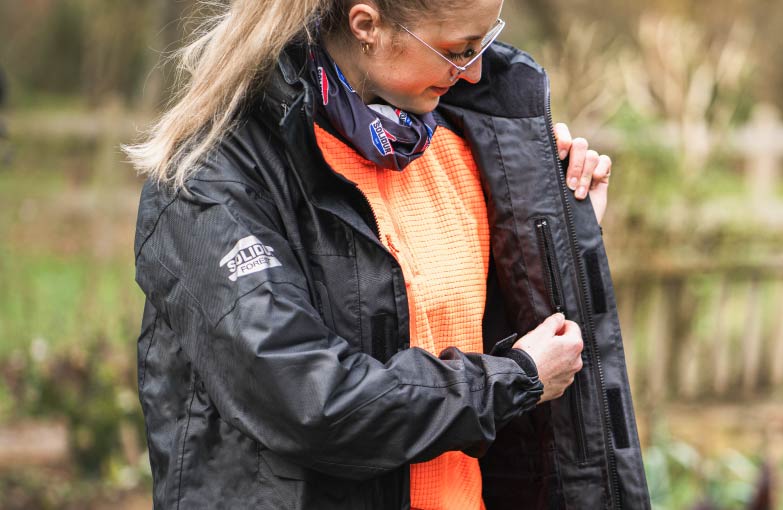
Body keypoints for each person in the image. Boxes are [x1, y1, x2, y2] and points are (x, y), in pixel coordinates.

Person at [126, 0, 648, 508]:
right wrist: (514, 378)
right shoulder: (213, 181)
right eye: (457, 50)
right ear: (367, 25)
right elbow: (312, 401)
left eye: (484, 43)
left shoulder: (457, 143)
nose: (472, 73)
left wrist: (561, 231)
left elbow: (476, 339)